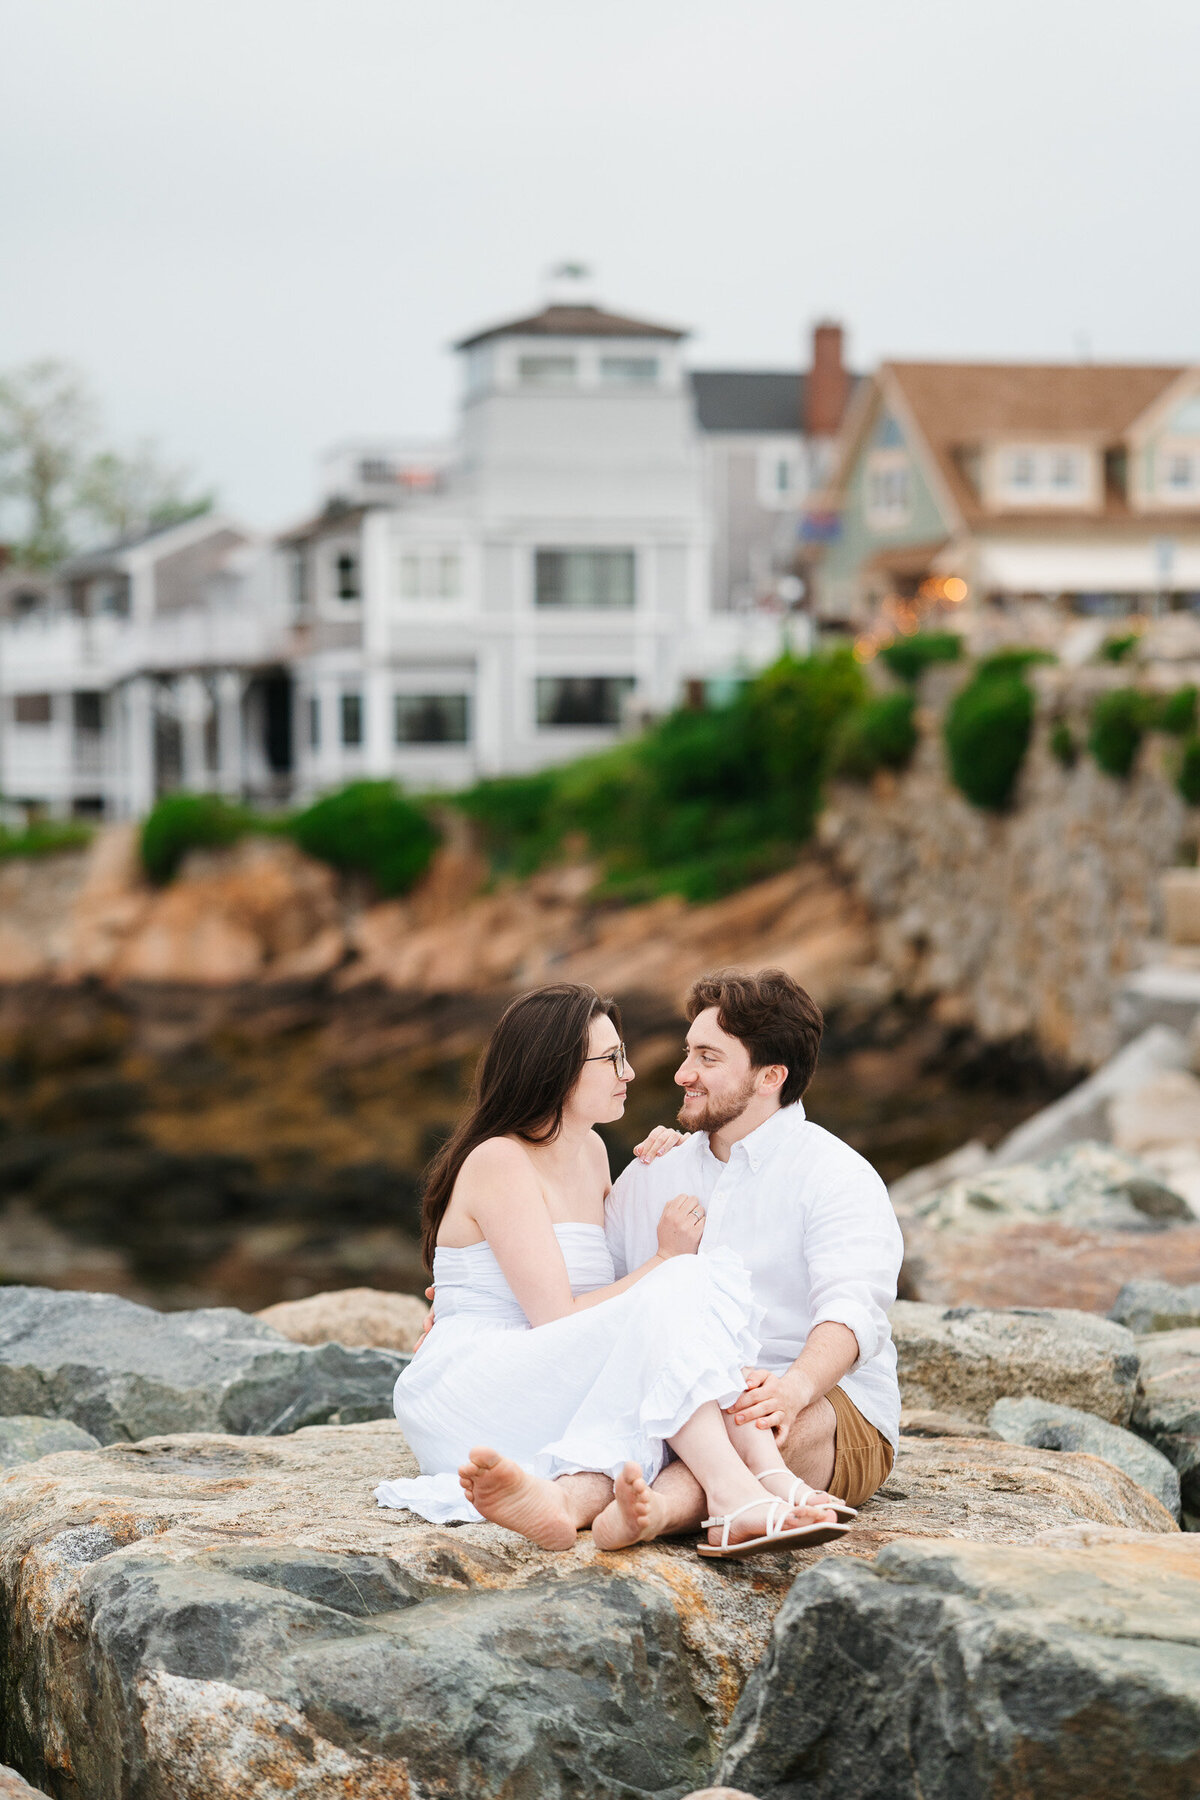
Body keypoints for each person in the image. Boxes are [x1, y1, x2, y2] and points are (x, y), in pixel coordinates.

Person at [374, 982, 849, 1558]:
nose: (631, 1072)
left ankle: (570, 1501)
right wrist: (666, 1259)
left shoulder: (595, 1153)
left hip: (546, 1370)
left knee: (680, 1313)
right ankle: (746, 1489)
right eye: (611, 1059)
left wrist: (680, 1154)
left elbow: (626, 1306)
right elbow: (558, 1314)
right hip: (480, 1381)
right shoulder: (499, 1159)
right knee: (687, 1278)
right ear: (556, 1069)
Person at [604, 967, 904, 1544]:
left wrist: (791, 1389)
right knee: (678, 1416)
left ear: (770, 1076)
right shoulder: (650, 1174)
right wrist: (469, 1302)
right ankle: (699, 1507)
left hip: (819, 1398)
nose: (682, 1073)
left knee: (762, 1420)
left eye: (708, 1058)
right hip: (683, 1399)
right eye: (689, 1051)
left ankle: (660, 1512)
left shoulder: (836, 1174)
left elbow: (853, 1311)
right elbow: (594, 1290)